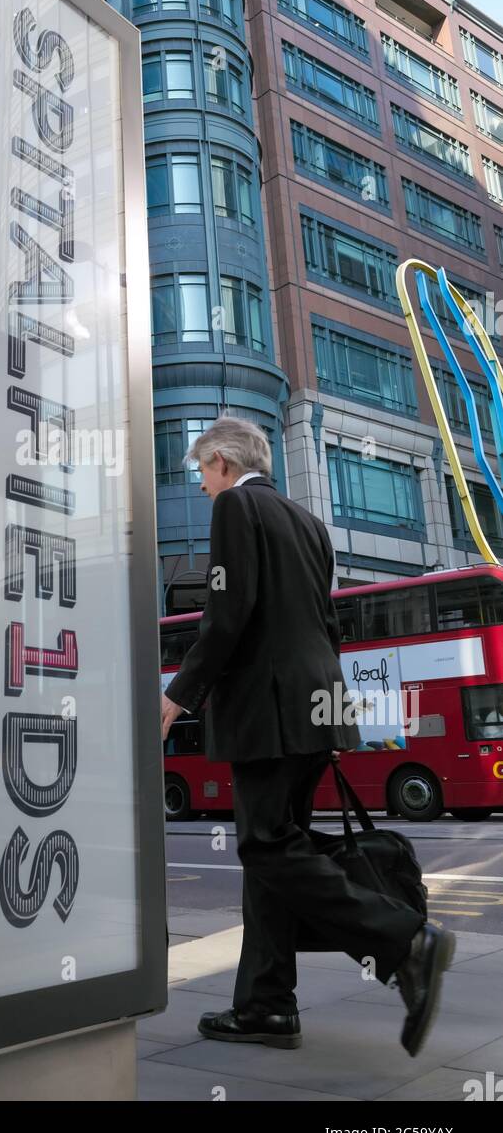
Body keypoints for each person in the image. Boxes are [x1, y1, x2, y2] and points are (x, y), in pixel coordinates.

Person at [161, 417, 455, 1057]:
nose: (204, 488)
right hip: (315, 706)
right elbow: (327, 623)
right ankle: (266, 1006)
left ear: (222, 461)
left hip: (267, 712)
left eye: (202, 473)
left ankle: (404, 939)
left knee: (265, 846)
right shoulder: (309, 523)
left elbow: (227, 615)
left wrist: (177, 694)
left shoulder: (238, 506)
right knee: (276, 852)